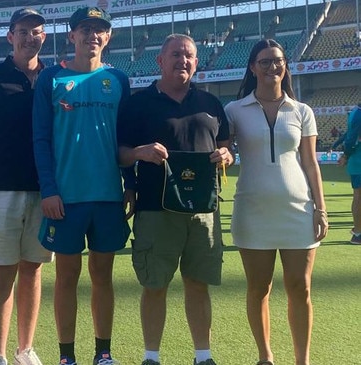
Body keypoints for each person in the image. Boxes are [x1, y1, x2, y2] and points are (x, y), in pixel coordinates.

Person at [117, 34, 232, 365]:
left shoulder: (211, 103)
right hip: (155, 209)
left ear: (197, 62)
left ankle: (203, 356)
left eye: (189, 56)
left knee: (198, 284)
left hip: (203, 211)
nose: (183, 60)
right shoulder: (138, 104)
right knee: (155, 285)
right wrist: (140, 152)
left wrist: (227, 154)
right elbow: (121, 154)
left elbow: (227, 148)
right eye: (176, 55)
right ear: (160, 61)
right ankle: (151, 357)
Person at [32, 7, 132, 365]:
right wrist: (49, 189)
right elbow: (41, 139)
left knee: (102, 276)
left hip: (107, 196)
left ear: (107, 37)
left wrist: (130, 186)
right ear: (71, 36)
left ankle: (103, 353)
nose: (92, 35)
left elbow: (127, 138)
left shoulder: (118, 79)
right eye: (84, 29)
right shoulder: (52, 79)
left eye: (99, 30)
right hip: (66, 198)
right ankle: (66, 355)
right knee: (66, 277)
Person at [224, 39, 327, 365]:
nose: (272, 67)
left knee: (301, 289)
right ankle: (265, 357)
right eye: (265, 62)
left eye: (278, 61)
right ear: (252, 67)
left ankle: (302, 360)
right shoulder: (233, 111)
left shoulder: (303, 111)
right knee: (259, 288)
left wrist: (320, 209)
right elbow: (226, 153)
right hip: (252, 211)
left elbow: (310, 163)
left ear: (285, 66)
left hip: (298, 210)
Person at [0, 8, 53, 365]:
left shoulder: (54, 78)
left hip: (44, 188)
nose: (28, 37)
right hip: (3, 187)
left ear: (43, 37)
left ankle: (26, 348)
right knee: (4, 271)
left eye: (35, 31)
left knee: (33, 269)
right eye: (22, 31)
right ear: (10, 36)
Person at [338, 104, 361, 244]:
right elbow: (351, 137)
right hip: (359, 159)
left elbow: (350, 135)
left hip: (357, 159)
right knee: (359, 195)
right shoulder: (357, 113)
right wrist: (346, 154)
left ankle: (358, 232)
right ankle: (358, 233)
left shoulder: (356, 113)